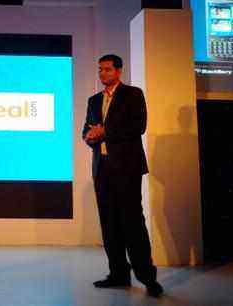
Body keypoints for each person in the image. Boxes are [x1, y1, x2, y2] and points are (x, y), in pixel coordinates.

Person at [82, 54, 163, 298]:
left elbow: (138, 126)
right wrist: (89, 136)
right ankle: (118, 273)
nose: (102, 73)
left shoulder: (133, 94)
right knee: (109, 224)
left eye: (107, 69)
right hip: (102, 169)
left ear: (118, 71)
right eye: (100, 69)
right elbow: (87, 130)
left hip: (127, 169)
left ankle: (148, 278)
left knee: (132, 222)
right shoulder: (94, 100)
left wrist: (104, 132)